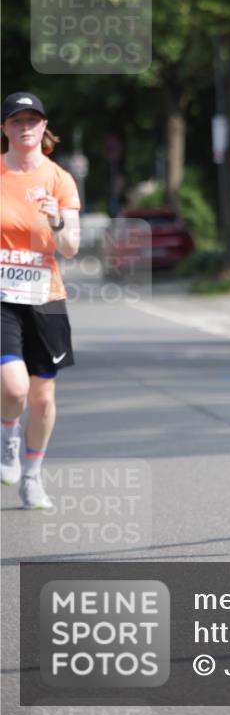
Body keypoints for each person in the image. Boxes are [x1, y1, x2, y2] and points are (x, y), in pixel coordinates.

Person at [0, 92, 80, 508]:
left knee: (43, 397)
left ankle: (32, 476)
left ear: (44, 126)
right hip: (2, 297)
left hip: (45, 296)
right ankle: (9, 432)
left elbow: (71, 248)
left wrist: (57, 220)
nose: (25, 127)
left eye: (32, 120)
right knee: (14, 388)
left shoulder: (59, 179)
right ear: (4, 128)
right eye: (17, 121)